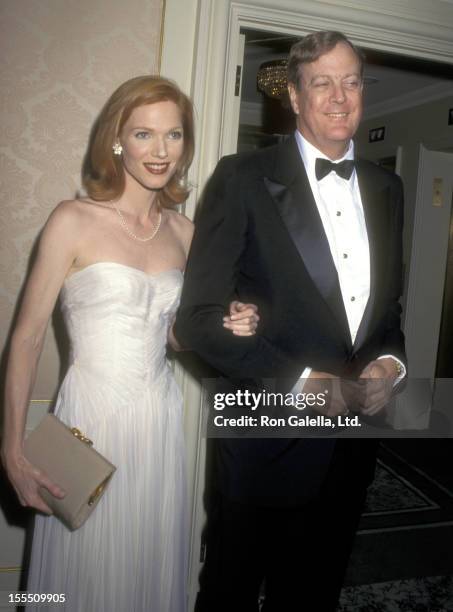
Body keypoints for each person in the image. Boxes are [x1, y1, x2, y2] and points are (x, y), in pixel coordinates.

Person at [1, 75, 258, 612]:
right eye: (144, 135)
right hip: (91, 421)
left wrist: (229, 320)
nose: (161, 151)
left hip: (161, 419)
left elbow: (175, 335)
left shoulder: (187, 233)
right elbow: (24, 341)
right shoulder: (72, 220)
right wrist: (12, 451)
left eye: (174, 135)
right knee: (83, 577)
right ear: (117, 140)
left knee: (145, 567)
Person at [174, 31, 407, 611]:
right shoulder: (240, 177)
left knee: (313, 591)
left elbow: (387, 314)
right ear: (295, 98)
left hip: (352, 446)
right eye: (321, 82)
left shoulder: (387, 187)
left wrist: (390, 362)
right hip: (261, 440)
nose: (338, 96)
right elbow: (199, 320)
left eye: (350, 81)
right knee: (229, 590)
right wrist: (302, 385)